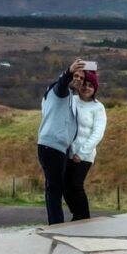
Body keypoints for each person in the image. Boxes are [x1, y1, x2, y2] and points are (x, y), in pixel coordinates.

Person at [37, 58, 84, 225]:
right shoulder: (59, 92)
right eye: (76, 76)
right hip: (51, 146)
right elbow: (62, 83)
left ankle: (58, 222)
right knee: (54, 188)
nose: (78, 80)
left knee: (58, 187)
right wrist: (69, 71)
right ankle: (56, 224)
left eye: (81, 78)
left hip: (59, 148)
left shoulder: (70, 97)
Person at [64, 69, 106, 220]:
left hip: (84, 155)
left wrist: (81, 153)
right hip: (66, 151)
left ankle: (83, 217)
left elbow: (97, 133)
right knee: (64, 187)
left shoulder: (98, 107)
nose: (86, 87)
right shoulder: (72, 100)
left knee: (75, 185)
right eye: (84, 84)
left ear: (94, 89)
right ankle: (77, 216)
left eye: (91, 85)